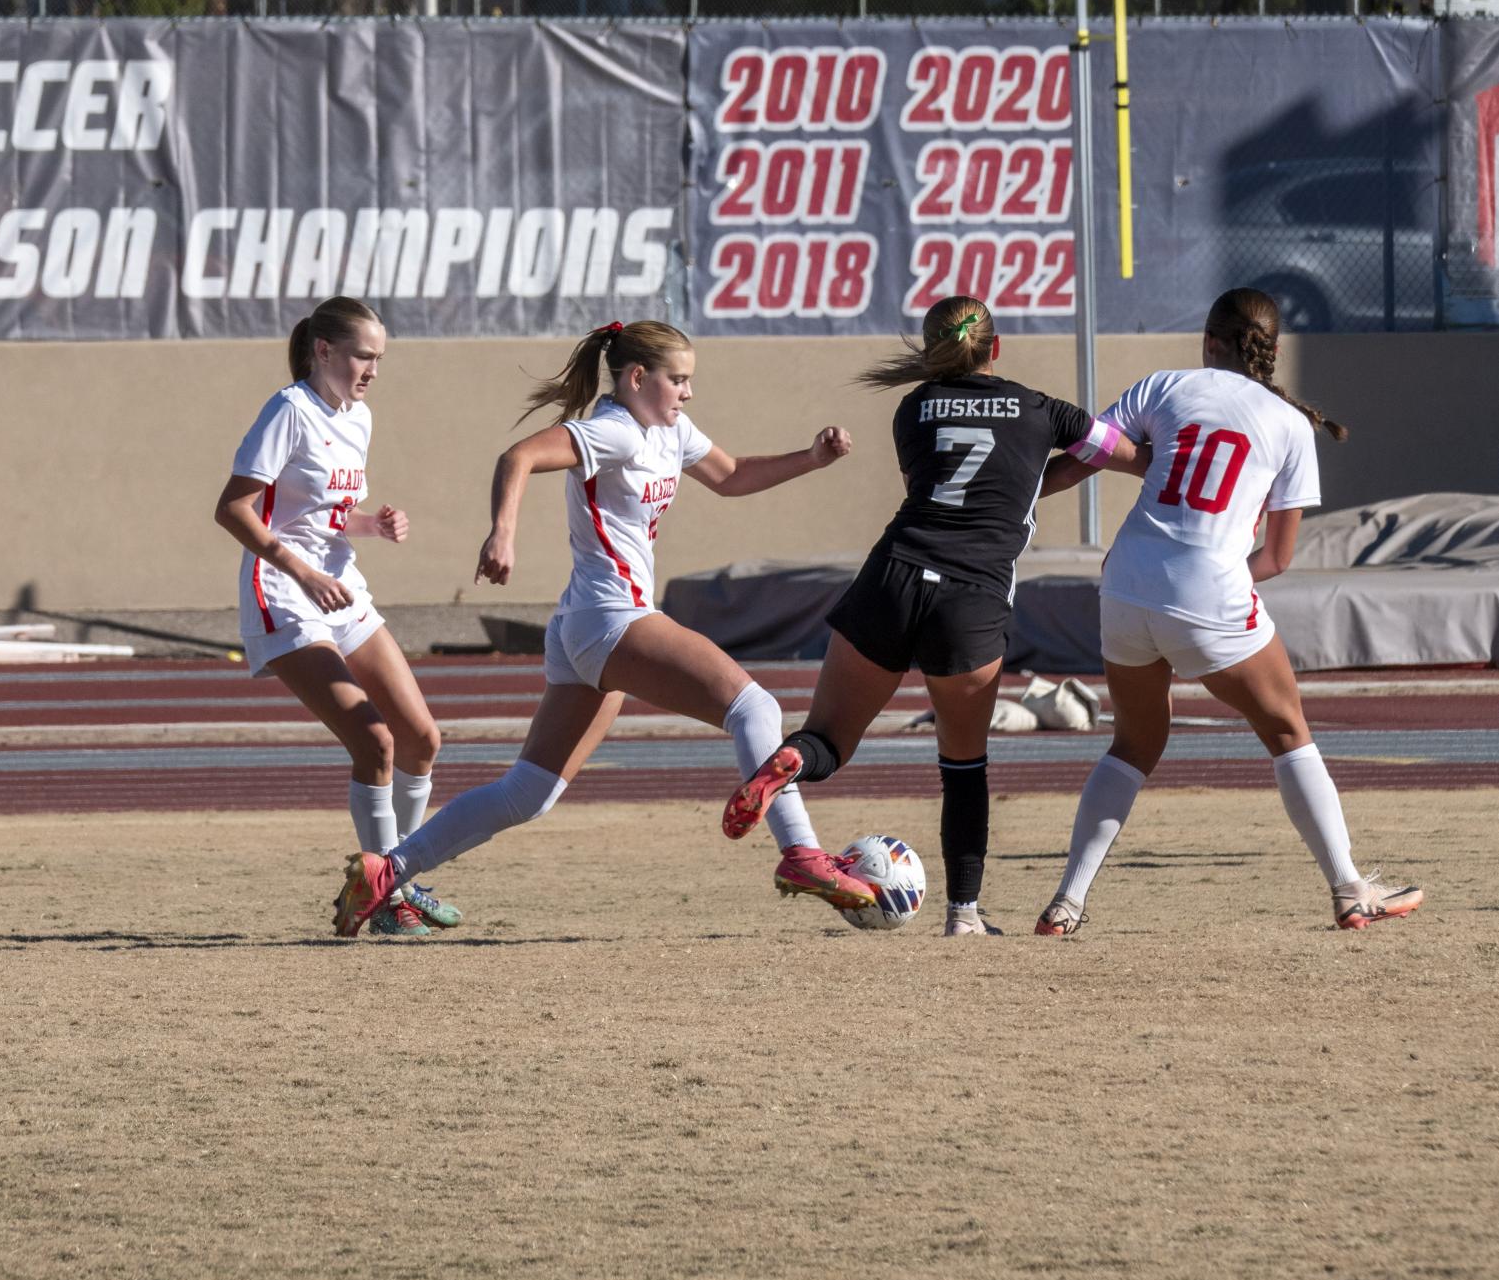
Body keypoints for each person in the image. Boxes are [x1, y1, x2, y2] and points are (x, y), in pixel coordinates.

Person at [331, 318, 870, 936]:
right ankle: (801, 853)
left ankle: (385, 873)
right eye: (679, 380)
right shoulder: (616, 430)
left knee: (528, 792)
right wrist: (502, 532)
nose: (688, 393)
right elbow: (520, 456)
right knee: (755, 710)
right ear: (638, 378)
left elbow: (731, 476)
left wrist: (811, 457)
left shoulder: (670, 428)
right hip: (612, 617)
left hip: (586, 625)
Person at [723, 296, 1143, 936]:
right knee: (964, 767)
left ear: (929, 354)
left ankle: (791, 764)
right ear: (995, 348)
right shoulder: (1041, 409)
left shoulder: (911, 409)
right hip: (970, 597)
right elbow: (1118, 453)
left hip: (890, 576)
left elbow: (964, 477)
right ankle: (964, 915)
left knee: (829, 740)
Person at [1033, 288, 1422, 935]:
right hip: (1208, 584)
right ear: (1269, 352)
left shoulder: (1163, 385)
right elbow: (1274, 557)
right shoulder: (1291, 424)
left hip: (1124, 580)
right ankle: (1350, 890)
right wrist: (1206, 589)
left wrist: (998, 499)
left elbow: (1079, 462)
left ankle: (1065, 902)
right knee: (1287, 730)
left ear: (1209, 342)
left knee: (1132, 743)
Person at [214, 296, 457, 937]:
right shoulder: (287, 410)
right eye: (362, 356)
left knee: (422, 739)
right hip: (287, 594)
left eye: (380, 357)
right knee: (374, 741)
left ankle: (398, 877)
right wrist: (302, 571)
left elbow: (320, 512)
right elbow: (234, 510)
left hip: (341, 588)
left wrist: (370, 524)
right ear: (324, 352)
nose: (373, 368)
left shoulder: (358, 416)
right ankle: (386, 901)